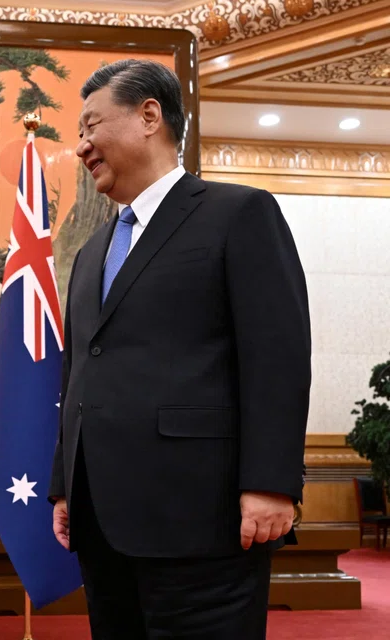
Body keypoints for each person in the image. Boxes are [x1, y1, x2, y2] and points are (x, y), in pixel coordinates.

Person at [49, 59, 311, 639]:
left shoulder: (238, 213)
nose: (81, 146)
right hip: (101, 520)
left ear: (149, 116)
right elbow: (78, 371)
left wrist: (271, 482)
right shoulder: (93, 250)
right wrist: (65, 484)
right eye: (78, 134)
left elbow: (277, 357)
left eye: (91, 126)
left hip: (202, 518)